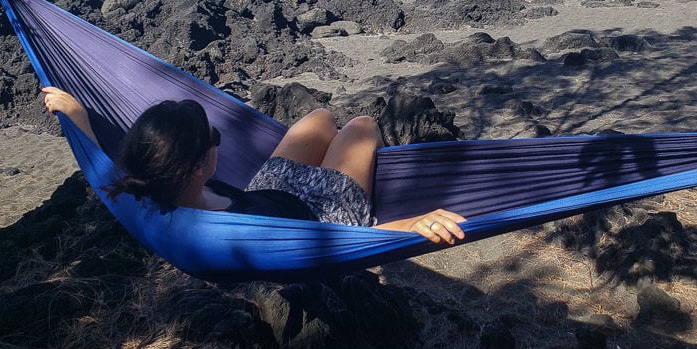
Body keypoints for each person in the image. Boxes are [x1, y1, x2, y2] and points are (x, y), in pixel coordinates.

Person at [41, 86, 465, 245]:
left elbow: (104, 174)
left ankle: (335, 134)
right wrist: (413, 224)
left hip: (271, 186)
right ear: (195, 168)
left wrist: (78, 118)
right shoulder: (236, 237)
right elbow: (337, 243)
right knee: (362, 124)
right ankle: (358, 143)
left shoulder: (143, 186)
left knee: (319, 116)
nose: (217, 144)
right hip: (324, 212)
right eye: (214, 140)